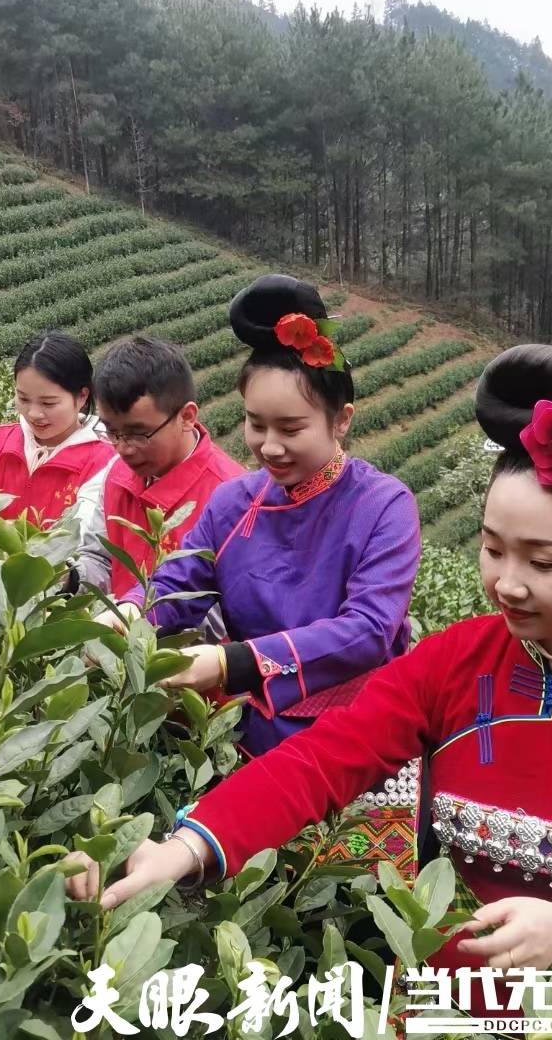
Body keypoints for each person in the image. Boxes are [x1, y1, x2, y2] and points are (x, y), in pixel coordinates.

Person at [67, 344, 552, 1038]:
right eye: (493, 550)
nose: (508, 583)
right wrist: (190, 846)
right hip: (447, 1012)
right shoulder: (457, 662)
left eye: (543, 561)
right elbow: (326, 758)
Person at [111, 273, 422, 758]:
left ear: (341, 420)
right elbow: (178, 582)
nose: (269, 447)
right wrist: (128, 612)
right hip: (255, 732)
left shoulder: (383, 505)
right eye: (256, 424)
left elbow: (369, 630)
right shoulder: (233, 501)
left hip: (358, 740)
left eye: (291, 428)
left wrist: (231, 661)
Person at [73, 335, 244, 597]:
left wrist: (143, 614)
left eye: (138, 433)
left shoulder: (232, 497)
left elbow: (233, 605)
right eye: (111, 430)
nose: (123, 448)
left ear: (186, 417)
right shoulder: (116, 475)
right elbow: (101, 558)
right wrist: (70, 578)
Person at [0, 330, 112, 527]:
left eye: (48, 403)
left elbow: (78, 537)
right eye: (23, 398)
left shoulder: (104, 462)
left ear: (82, 396)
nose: (33, 413)